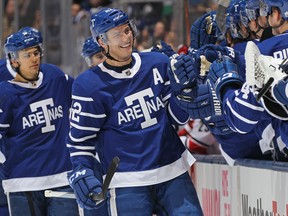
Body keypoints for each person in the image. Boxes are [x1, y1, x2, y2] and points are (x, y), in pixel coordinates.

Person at [66, 7, 203, 215]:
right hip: (126, 183)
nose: (126, 38)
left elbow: (177, 119)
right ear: (102, 42)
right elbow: (80, 141)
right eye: (117, 34)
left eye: (127, 30)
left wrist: (184, 94)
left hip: (173, 171)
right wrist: (81, 169)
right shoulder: (89, 85)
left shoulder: (157, 63)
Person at [0, 27, 79, 215]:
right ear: (14, 60)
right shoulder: (5, 93)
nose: (34, 58)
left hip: (62, 178)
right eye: (27, 55)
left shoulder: (55, 76)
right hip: (23, 183)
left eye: (36, 52)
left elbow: (85, 98)